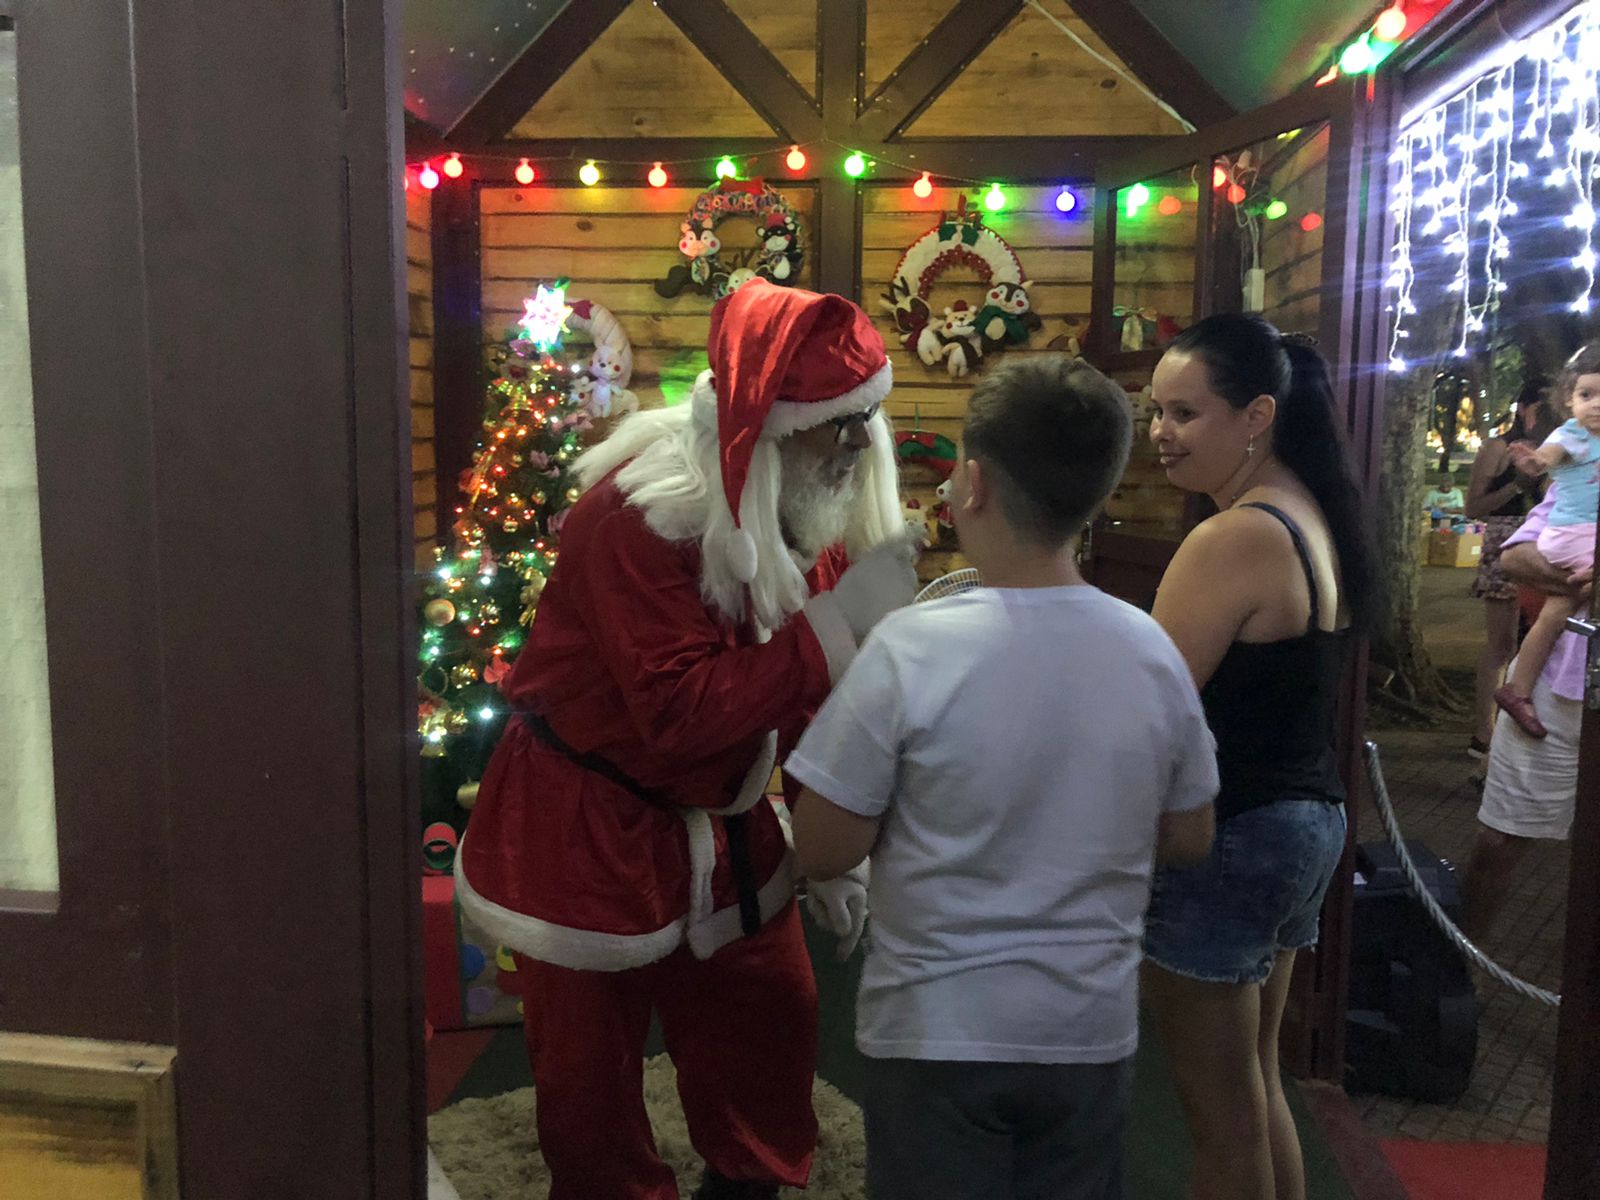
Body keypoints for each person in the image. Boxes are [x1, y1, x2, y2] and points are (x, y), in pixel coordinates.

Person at [455, 281, 922, 1200]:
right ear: (777, 426)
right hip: (585, 825)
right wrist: (834, 625)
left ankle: (745, 1185)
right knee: (587, 1079)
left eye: (867, 419)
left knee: (771, 1018)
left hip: (729, 818)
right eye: (841, 424)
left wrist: (836, 849)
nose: (860, 447)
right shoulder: (638, 519)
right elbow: (679, 710)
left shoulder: (799, 502)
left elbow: (809, 695)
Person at [786, 356, 1219, 1200]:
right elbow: (1190, 835)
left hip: (934, 1032)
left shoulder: (910, 648)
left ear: (972, 484)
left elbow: (824, 845)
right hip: (1086, 1034)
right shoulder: (1149, 651)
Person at [1142, 314, 1371, 1200]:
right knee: (1257, 1084)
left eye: (1185, 413)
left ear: (1257, 415)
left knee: (1220, 1122)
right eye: (1157, 412)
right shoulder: (1311, 513)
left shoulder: (1233, 535)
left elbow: (1151, 708)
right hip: (1305, 824)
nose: (1162, 433)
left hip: (1233, 836)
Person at [1460, 481, 1593, 941]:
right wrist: (1582, 581)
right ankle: (1459, 968)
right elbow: (1516, 556)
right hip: (1552, 691)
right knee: (1498, 840)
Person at [1494, 346, 1600, 738]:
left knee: (1559, 608)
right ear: (1569, 401)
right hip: (1573, 539)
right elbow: (1514, 560)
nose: (1596, 405)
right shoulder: (1574, 437)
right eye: (1586, 395)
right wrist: (1534, 461)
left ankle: (1516, 689)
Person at [1463, 382, 1554, 760]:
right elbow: (1473, 508)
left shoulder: (1563, 450)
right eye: (1542, 407)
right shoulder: (1498, 448)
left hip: (1547, 548)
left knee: (1538, 639)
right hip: (1506, 540)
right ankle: (1483, 736)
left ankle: (1515, 730)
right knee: (1501, 644)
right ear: (1523, 409)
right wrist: (1517, 485)